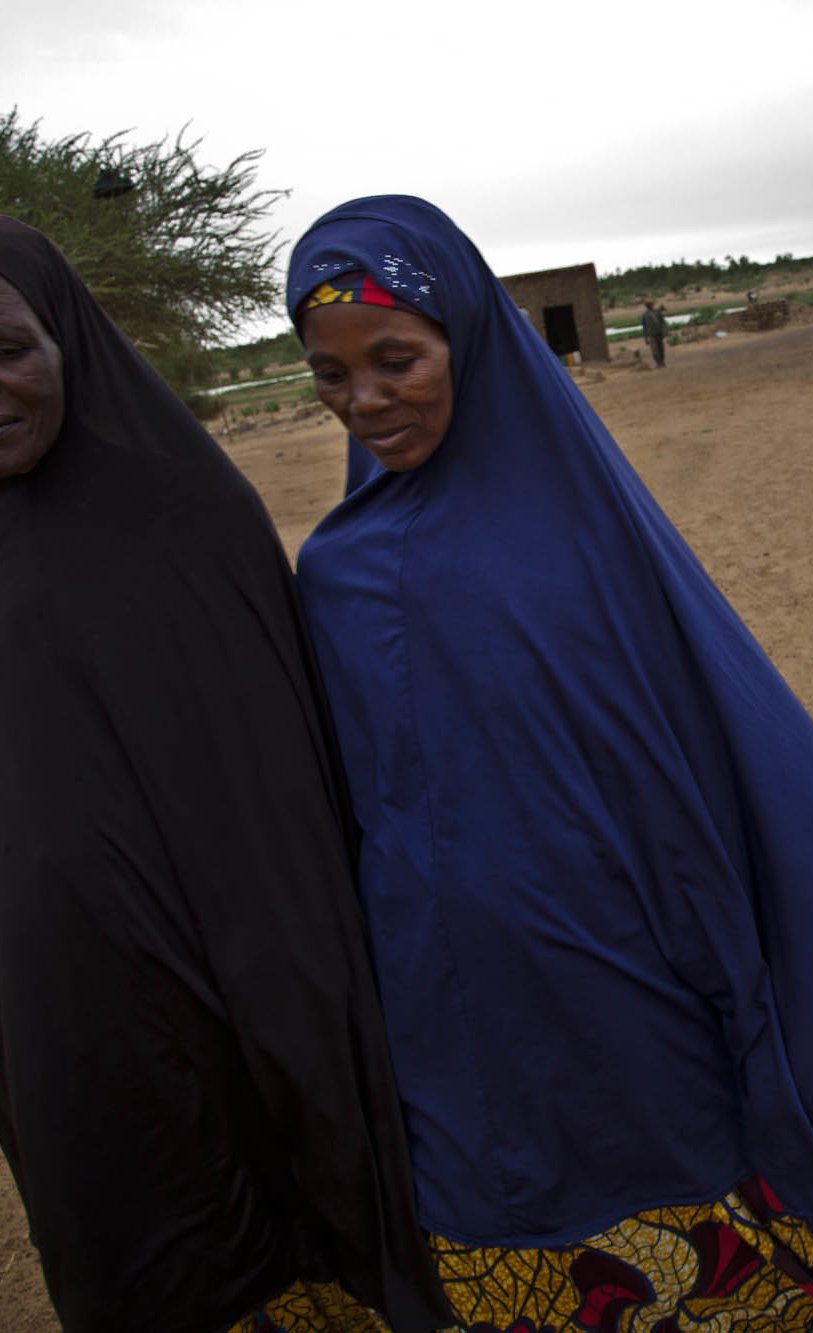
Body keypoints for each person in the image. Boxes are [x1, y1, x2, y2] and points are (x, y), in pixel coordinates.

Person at [286, 195, 813, 1332]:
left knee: (701, 1216)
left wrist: (714, 958)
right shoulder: (332, 572)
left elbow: (672, 767)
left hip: (626, 970)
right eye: (332, 377)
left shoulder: (571, 541)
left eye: (395, 360)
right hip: (450, 1004)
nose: (367, 401)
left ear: (463, 341)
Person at [0, 217, 445, 1332]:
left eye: (6, 351)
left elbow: (274, 799)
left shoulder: (177, 513)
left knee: (286, 1230)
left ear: (64, 338)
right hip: (53, 1014)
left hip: (236, 991)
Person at [641, 296, 668, 367]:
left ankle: (661, 361)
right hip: (651, 335)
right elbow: (644, 327)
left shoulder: (657, 312)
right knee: (654, 350)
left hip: (659, 333)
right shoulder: (644, 315)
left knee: (661, 349)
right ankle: (658, 363)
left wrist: (664, 331)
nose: (649, 305)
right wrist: (646, 338)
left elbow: (663, 322)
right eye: (648, 304)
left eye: (650, 304)